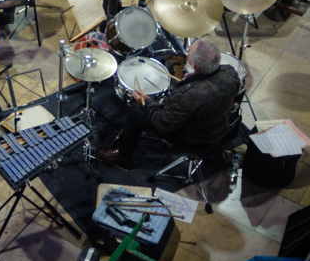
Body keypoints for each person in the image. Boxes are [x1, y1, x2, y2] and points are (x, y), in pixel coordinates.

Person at [96, 40, 241, 169]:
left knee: (135, 112)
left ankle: (123, 156)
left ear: (193, 64)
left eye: (189, 51)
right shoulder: (230, 72)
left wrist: (147, 101)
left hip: (197, 140)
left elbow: (162, 124)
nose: (187, 50)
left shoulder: (186, 94)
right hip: (219, 129)